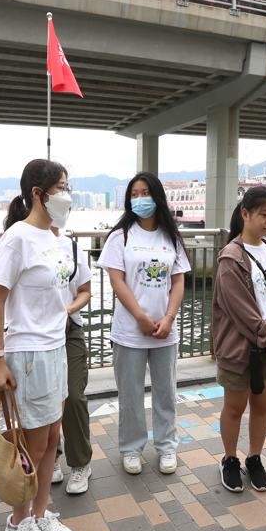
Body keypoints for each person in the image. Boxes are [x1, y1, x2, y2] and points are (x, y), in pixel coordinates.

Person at [0, 158, 78, 531]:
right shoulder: (17, 238)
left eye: (68, 187)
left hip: (55, 347)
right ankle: (18, 521)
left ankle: (41, 513)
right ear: (37, 194)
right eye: (61, 188)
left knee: (53, 437)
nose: (67, 196)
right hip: (28, 351)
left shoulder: (55, 238)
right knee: (33, 445)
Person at [99, 172, 190, 476]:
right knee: (130, 395)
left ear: (157, 196)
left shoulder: (170, 236)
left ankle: (166, 446)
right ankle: (131, 448)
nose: (140, 199)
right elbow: (117, 280)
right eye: (134, 194)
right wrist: (139, 315)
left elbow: (178, 282)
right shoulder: (120, 236)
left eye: (145, 193)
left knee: (166, 392)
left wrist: (169, 317)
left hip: (165, 331)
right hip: (129, 331)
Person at [211, 186, 266, 492]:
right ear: (245, 214)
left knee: (262, 405)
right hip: (240, 348)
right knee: (234, 407)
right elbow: (241, 311)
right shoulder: (231, 258)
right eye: (263, 215)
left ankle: (255, 457)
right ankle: (229, 459)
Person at [49, 224, 94, 494]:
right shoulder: (20, 241)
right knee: (45, 397)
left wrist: (67, 310)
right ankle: (50, 457)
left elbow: (85, 291)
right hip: (36, 334)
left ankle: (80, 463)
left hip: (69, 330)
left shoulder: (71, 247)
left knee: (74, 396)